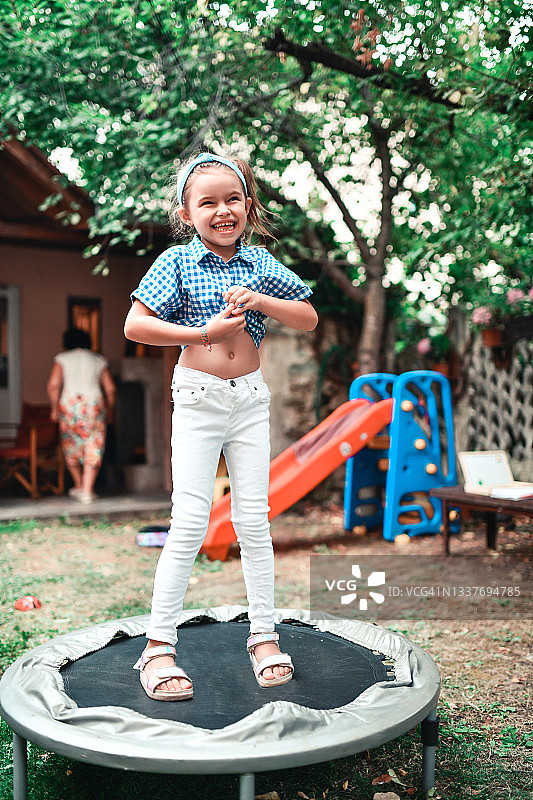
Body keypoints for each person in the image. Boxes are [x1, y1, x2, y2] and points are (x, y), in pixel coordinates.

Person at [124, 151, 318, 701]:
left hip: (250, 399)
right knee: (189, 522)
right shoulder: (177, 262)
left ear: (248, 206)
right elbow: (136, 325)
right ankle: (157, 648)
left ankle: (264, 638)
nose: (222, 210)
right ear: (187, 213)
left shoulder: (259, 263)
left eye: (233, 199)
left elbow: (308, 316)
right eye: (207, 202)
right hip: (198, 398)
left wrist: (262, 300)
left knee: (253, 522)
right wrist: (203, 334)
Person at [47, 327, 116, 504]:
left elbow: (54, 385)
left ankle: (79, 484)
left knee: (71, 444)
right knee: (94, 444)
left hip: (70, 404)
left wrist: (54, 409)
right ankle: (87, 489)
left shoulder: (62, 359)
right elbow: (110, 389)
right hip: (94, 404)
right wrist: (109, 411)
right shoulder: (98, 360)